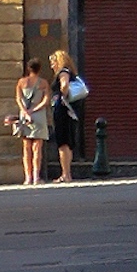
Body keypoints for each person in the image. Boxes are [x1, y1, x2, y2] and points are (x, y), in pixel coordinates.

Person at [15, 58, 50, 185]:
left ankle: (27, 177)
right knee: (37, 148)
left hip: (25, 116)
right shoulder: (43, 83)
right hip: (38, 115)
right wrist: (34, 110)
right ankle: (36, 177)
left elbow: (18, 99)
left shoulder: (21, 82)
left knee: (26, 148)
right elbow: (46, 101)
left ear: (28, 69)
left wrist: (25, 112)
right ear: (39, 69)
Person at [49, 50, 79, 183]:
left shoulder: (63, 72)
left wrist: (63, 96)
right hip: (68, 110)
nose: (52, 66)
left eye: (53, 62)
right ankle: (67, 173)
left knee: (62, 142)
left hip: (62, 110)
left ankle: (65, 174)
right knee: (68, 142)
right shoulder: (71, 72)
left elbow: (64, 85)